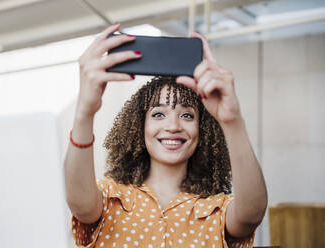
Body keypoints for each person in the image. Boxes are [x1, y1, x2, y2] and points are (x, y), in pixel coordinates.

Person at [64, 23, 268, 248]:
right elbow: (80, 205)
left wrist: (232, 121)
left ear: (203, 130)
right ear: (139, 127)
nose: (173, 126)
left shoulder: (217, 209)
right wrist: (84, 112)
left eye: (187, 116)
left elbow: (251, 215)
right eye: (159, 114)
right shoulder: (110, 198)